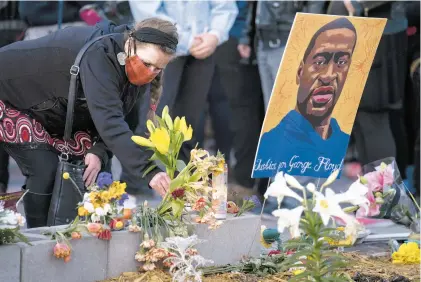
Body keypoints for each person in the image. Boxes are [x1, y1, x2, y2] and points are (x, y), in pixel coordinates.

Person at [0, 17, 178, 228]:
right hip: (13, 95)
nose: (150, 73)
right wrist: (149, 171)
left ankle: (76, 236)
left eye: (158, 68)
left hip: (58, 107)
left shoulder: (133, 63)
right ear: (131, 44)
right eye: (147, 64)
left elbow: (124, 122)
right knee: (44, 169)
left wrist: (98, 150)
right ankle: (41, 242)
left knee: (95, 170)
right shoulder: (100, 55)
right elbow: (110, 122)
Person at [128, 1, 238, 165]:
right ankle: (139, 183)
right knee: (152, 122)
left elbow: (225, 6)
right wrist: (188, 40)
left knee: (188, 125)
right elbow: (146, 10)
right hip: (160, 46)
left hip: (204, 47)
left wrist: (215, 34)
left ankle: (183, 183)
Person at [253, 17, 357, 178]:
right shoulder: (273, 136)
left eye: (342, 62)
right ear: (300, 70)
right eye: (320, 62)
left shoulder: (339, 137)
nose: (328, 75)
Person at [238, 1, 326, 110]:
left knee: (286, 104)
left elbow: (314, 6)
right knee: (271, 105)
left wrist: (308, 37)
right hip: (264, 39)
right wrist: (247, 35)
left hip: (288, 39)